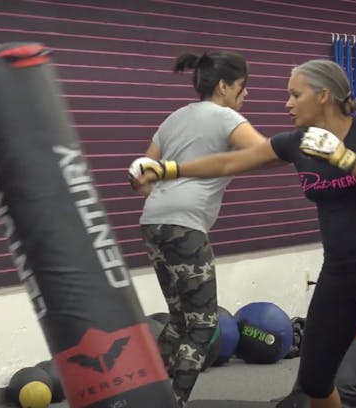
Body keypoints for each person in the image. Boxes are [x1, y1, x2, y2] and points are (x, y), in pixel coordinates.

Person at [133, 59, 356, 408]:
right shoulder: (297, 143)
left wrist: (344, 159)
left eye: (296, 95)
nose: (287, 103)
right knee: (314, 381)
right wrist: (168, 169)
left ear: (323, 95)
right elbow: (228, 162)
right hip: (340, 271)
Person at [129, 50, 268, 407]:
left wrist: (166, 193)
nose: (246, 94)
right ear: (223, 86)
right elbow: (266, 153)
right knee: (204, 325)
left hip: (153, 221)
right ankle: (172, 402)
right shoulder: (226, 117)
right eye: (242, 86)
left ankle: (141, 397)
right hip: (185, 226)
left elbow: (141, 176)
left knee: (179, 321)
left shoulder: (174, 118)